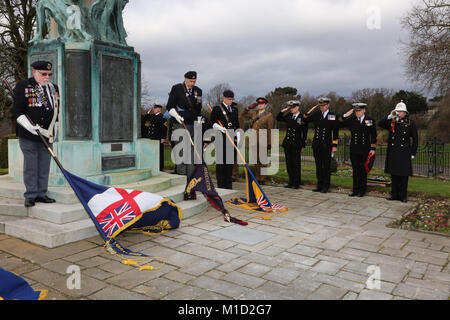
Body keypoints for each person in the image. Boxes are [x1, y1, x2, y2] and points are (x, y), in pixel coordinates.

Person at [12, 60, 60, 207]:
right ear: (34, 72)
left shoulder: (53, 88)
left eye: (49, 74)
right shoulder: (24, 85)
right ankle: (31, 195)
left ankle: (41, 193)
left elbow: (55, 112)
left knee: (44, 165)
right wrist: (29, 127)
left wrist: (54, 130)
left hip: (46, 134)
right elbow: (18, 112)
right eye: (43, 74)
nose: (47, 77)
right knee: (31, 165)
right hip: (29, 134)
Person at [378, 101, 418, 203]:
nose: (398, 113)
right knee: (394, 174)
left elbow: (415, 139)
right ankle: (394, 194)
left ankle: (403, 196)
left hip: (404, 152)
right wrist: (389, 116)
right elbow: (380, 124)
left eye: (400, 111)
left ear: (405, 113)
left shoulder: (410, 123)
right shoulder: (392, 121)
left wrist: (413, 153)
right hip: (393, 152)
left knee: (403, 176)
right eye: (397, 111)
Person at [166, 71, 203, 177]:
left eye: (194, 81)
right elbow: (170, 106)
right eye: (191, 81)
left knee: (192, 149)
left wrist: (199, 123)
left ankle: (190, 174)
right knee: (181, 149)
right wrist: (177, 116)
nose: (192, 83)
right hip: (179, 122)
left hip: (193, 122)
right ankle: (181, 174)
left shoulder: (198, 91)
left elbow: (198, 108)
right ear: (185, 79)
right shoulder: (177, 88)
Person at [339, 103, 377, 197]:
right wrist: (345, 115)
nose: (357, 113)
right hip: (354, 149)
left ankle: (362, 190)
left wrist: (372, 148)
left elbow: (373, 135)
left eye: (359, 110)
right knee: (355, 170)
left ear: (364, 110)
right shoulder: (352, 120)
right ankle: (355, 190)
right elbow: (339, 123)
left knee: (363, 170)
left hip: (365, 149)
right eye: (356, 111)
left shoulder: (369, 120)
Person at [302, 97, 339, 193]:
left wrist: (334, 146)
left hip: (326, 144)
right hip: (316, 144)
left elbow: (335, 132)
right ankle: (319, 185)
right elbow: (304, 120)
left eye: (323, 105)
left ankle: (326, 186)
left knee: (326, 166)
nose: (322, 107)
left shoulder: (333, 116)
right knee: (318, 166)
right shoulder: (316, 114)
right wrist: (310, 111)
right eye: (320, 106)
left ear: (328, 105)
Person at [210, 90, 240, 189]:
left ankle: (228, 185)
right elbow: (212, 123)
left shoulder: (235, 110)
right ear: (223, 98)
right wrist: (221, 128)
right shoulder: (217, 108)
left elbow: (236, 124)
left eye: (232, 99)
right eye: (229, 99)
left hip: (232, 138)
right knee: (221, 164)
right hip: (221, 137)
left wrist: (238, 134)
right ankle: (221, 186)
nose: (230, 101)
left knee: (229, 163)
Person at [240, 97, 274, 185]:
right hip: (253, 139)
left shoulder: (269, 115)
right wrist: (248, 108)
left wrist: (269, 143)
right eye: (259, 104)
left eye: (262, 104)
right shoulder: (254, 113)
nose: (260, 105)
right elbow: (242, 115)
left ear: (265, 105)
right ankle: (257, 177)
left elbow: (270, 130)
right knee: (255, 160)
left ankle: (262, 178)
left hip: (263, 140)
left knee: (262, 161)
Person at [277, 100, 308, 189]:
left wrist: (303, 145)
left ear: (298, 107)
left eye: (293, 107)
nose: (292, 109)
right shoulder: (289, 116)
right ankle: (290, 182)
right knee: (289, 164)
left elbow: (304, 133)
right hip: (288, 143)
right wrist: (282, 111)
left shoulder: (302, 117)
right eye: (290, 107)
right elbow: (278, 118)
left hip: (296, 144)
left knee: (296, 164)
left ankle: (296, 183)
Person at [143, 104, 167, 171]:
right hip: (151, 137)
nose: (154, 109)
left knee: (160, 152)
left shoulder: (162, 117)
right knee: (152, 152)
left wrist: (163, 137)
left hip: (158, 137)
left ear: (159, 109)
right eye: (154, 108)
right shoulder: (152, 116)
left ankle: (160, 167)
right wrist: (148, 112)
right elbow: (144, 119)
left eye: (155, 108)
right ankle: (153, 165)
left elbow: (164, 128)